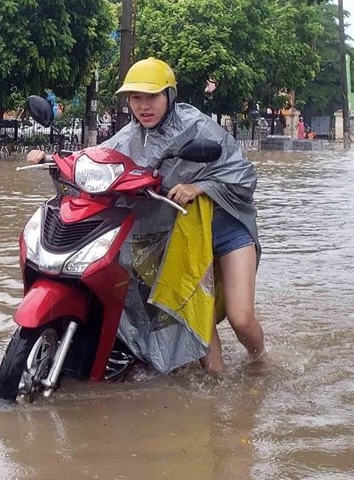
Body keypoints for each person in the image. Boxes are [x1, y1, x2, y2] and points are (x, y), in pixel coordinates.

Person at [27, 57, 264, 376]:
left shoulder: (196, 124)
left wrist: (200, 186)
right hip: (180, 238)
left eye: (151, 96)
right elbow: (98, 158)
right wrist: (56, 160)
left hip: (225, 228)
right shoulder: (130, 136)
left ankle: (260, 361)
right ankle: (218, 396)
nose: (143, 106)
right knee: (196, 322)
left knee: (241, 317)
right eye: (135, 98)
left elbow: (243, 173)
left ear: (170, 95)